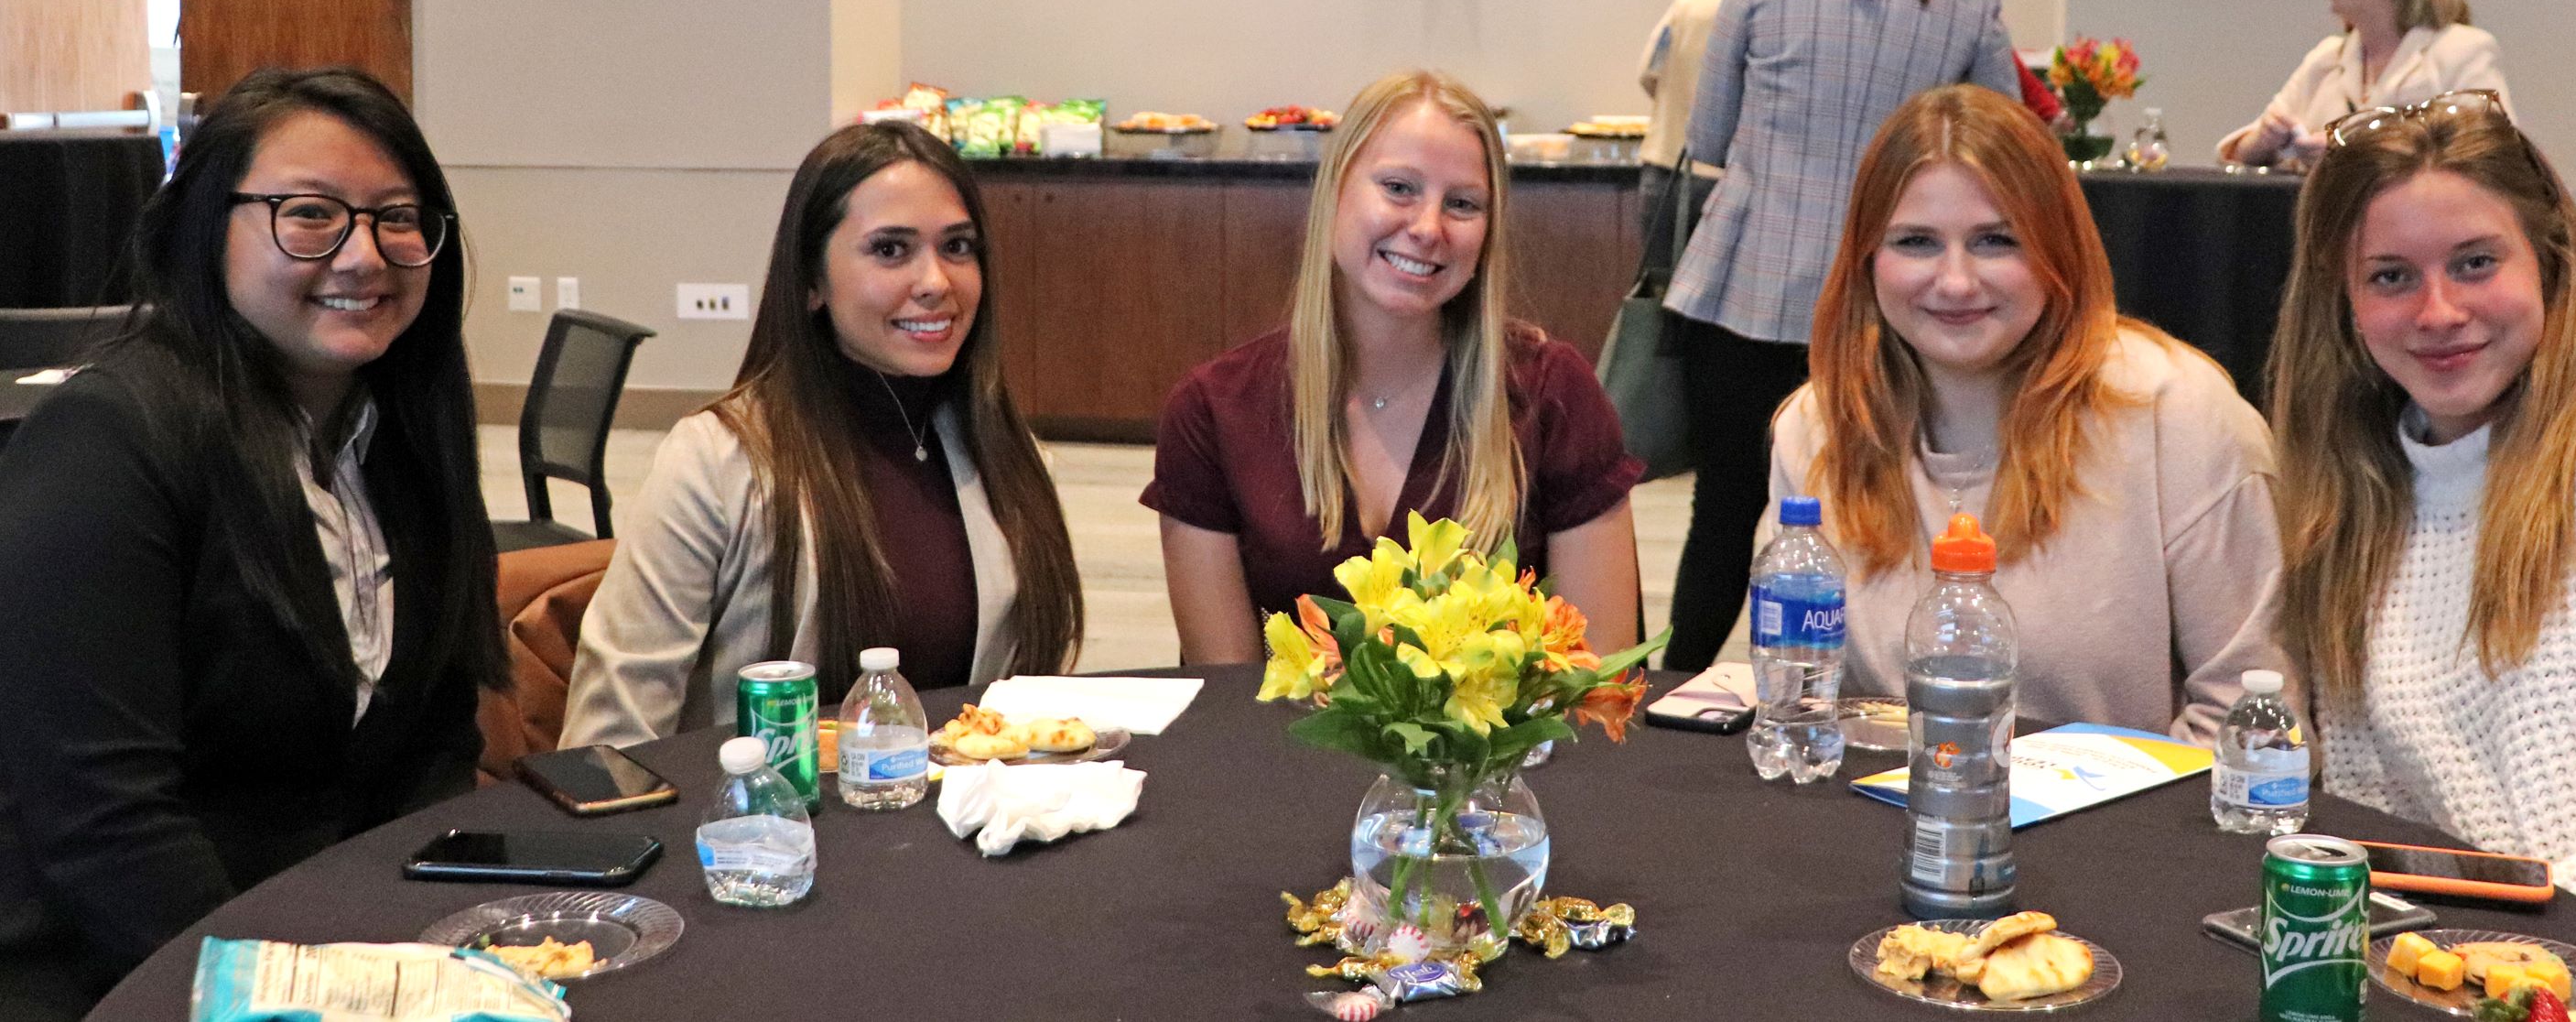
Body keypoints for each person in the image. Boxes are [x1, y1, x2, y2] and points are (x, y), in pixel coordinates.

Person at [0, 67, 504, 1017]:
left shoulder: (397, 442)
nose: (365, 255)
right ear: (204, 226)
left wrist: (429, 962)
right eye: (309, 214)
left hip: (326, 957)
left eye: (399, 217)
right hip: (116, 975)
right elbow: (107, 825)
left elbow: (433, 747)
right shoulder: (108, 442)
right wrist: (287, 997)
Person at [2269, 91, 2576, 960]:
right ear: (2340, 301)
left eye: (2476, 262)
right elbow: (2392, 840)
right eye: (2390, 276)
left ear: (2551, 261)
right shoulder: (2354, 497)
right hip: (2466, 964)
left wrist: (2520, 950)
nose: (2438, 312)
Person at [1768, 85, 2289, 741]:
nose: (1955, 281)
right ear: (1866, 259)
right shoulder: (1816, 427)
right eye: (1916, 242)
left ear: (2057, 250)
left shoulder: (2179, 415)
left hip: (2118, 836)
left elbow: (2254, 725)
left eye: (1995, 241)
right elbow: (1795, 696)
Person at [561, 124, 1082, 749]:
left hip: (961, 830)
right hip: (754, 835)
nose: (936, 281)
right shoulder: (716, 462)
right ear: (811, 281)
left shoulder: (1007, 454)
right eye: (891, 250)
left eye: (958, 247)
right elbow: (608, 741)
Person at [1662, 0, 2021, 669]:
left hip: (1745, 283)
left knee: (1725, 509)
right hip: (1886, 299)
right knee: (1873, 509)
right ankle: (1857, 685)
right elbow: (2004, 149)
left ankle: (1673, 693)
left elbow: (1704, 135)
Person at [1147, 70, 1643, 663]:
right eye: (1399, 188)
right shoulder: (1214, 411)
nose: (1428, 228)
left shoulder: (1552, 394)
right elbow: (1222, 700)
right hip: (1276, 752)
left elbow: (1597, 680)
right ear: (1335, 190)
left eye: (1462, 204)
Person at [2219, 0, 2510, 169]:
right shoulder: (2326, 59)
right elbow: (2240, 153)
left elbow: (2491, 157)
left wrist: (2354, 155)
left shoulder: (2460, 52)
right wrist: (2263, 142)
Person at [1636, 0, 1729, 271]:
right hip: (1728, 177)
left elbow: (1648, 73)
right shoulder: (1764, 3)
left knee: (1659, 290)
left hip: (1665, 167)